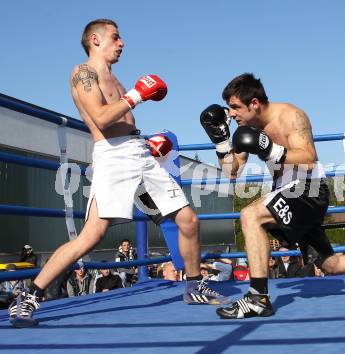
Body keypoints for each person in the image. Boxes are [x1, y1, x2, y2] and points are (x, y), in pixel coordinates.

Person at [8, 18, 229, 328]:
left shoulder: (117, 80)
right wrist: (138, 94)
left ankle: (194, 286)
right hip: (113, 158)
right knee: (92, 236)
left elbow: (124, 120)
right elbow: (100, 117)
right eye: (115, 37)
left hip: (140, 155)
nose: (122, 42)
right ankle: (29, 296)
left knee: (187, 219)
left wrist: (147, 141)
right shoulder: (83, 73)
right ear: (95, 40)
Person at [200, 73, 345, 319]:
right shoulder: (244, 128)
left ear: (255, 103)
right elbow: (231, 172)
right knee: (329, 263)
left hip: (308, 188)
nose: (231, 113)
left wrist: (269, 149)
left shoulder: (291, 116)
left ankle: (257, 298)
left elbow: (308, 159)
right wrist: (221, 142)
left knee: (250, 215)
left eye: (236, 107)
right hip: (286, 190)